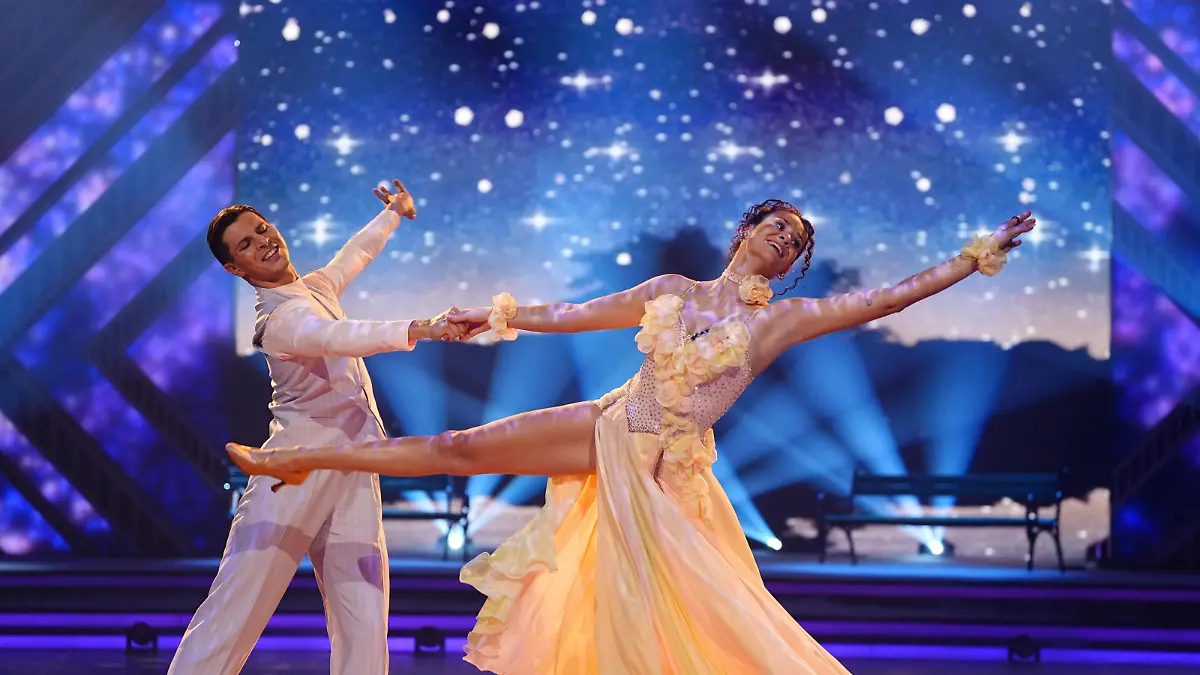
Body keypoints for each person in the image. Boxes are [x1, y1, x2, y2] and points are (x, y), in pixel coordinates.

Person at [226, 200, 1037, 674]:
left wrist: (977, 257)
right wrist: (498, 316)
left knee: (668, 617)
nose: (783, 239)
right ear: (745, 232)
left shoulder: (777, 321)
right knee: (459, 446)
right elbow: (574, 314)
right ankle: (295, 457)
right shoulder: (672, 291)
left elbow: (888, 298)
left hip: (660, 470)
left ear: (789, 265)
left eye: (795, 240)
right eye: (775, 226)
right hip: (609, 424)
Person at [170, 179, 466, 675]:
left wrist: (394, 213)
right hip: (296, 467)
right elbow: (335, 336)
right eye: (246, 243)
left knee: (364, 608)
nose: (263, 241)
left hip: (352, 463)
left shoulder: (313, 288)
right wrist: (420, 328)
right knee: (238, 604)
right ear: (234, 268)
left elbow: (355, 253)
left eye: (262, 230)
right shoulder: (280, 321)